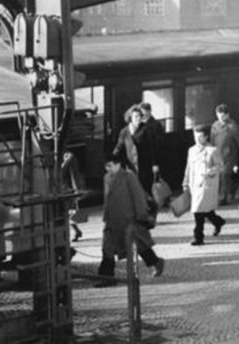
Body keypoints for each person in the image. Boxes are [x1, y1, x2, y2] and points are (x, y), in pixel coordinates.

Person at [97, 153, 165, 282]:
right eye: (106, 167)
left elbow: (138, 197)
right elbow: (107, 199)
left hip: (130, 219)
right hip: (113, 220)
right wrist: (106, 216)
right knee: (108, 248)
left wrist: (141, 215)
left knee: (139, 245)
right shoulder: (107, 178)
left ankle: (156, 262)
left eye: (110, 166)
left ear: (118, 164)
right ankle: (107, 276)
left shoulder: (129, 177)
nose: (108, 169)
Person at [182, 123, 227, 245]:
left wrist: (210, 171)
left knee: (198, 211)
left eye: (200, 136)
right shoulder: (191, 150)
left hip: (207, 184)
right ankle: (218, 221)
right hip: (195, 183)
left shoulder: (212, 150)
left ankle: (198, 237)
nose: (197, 139)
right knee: (204, 210)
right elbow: (189, 167)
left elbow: (220, 166)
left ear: (206, 137)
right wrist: (185, 182)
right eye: (195, 136)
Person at [113, 104, 163, 197]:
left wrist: (155, 164)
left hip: (145, 165)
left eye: (140, 116)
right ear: (130, 118)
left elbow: (153, 148)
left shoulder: (147, 129)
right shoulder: (124, 131)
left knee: (145, 189)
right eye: (136, 116)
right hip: (131, 166)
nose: (139, 118)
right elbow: (119, 146)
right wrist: (113, 158)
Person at [210, 104, 239, 204]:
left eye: (223, 115)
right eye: (219, 115)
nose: (221, 117)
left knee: (224, 175)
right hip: (217, 154)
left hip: (229, 155)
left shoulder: (233, 126)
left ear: (228, 115)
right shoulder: (215, 125)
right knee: (219, 175)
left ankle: (223, 198)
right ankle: (231, 188)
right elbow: (212, 140)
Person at [60, 148, 86, 242]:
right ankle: (76, 231)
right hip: (63, 188)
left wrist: (77, 190)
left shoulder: (69, 157)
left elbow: (61, 172)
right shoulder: (65, 157)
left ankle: (75, 231)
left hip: (67, 190)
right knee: (66, 213)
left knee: (68, 212)